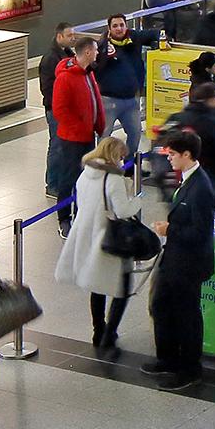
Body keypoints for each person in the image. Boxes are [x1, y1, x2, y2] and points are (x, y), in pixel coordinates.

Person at [58, 132, 149, 350]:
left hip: (88, 234)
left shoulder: (86, 173)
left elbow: (80, 201)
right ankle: (110, 333)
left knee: (96, 286)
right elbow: (122, 209)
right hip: (111, 237)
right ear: (113, 155)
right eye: (120, 157)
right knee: (123, 287)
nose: (121, 161)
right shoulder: (113, 178)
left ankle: (98, 329)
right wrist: (137, 200)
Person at [148, 128, 215, 391]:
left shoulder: (201, 188)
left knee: (187, 315)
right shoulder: (187, 180)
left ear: (187, 155)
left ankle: (189, 369)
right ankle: (167, 358)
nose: (169, 159)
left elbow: (200, 232)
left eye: (173, 154)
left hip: (189, 263)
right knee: (162, 305)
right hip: (174, 258)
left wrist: (169, 230)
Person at [48, 35, 105, 234]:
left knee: (85, 178)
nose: (98, 53)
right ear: (88, 52)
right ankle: (64, 219)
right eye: (96, 50)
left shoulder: (88, 73)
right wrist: (80, 126)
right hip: (72, 139)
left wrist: (97, 125)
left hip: (88, 136)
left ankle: (81, 215)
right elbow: (60, 110)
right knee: (69, 179)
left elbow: (93, 100)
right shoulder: (65, 77)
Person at [95, 13, 148, 157]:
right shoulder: (102, 46)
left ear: (126, 26)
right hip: (108, 101)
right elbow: (95, 68)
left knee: (135, 134)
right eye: (115, 26)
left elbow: (152, 34)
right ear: (109, 28)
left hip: (131, 100)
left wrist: (162, 39)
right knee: (104, 137)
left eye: (121, 25)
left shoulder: (133, 39)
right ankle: (101, 166)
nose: (119, 29)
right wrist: (105, 55)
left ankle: (130, 167)